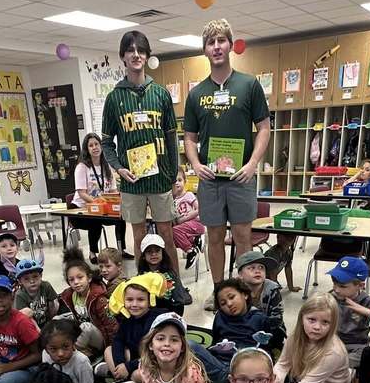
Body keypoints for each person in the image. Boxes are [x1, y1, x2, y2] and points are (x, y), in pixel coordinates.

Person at [184, 18, 271, 289]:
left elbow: (264, 128)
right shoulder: (196, 94)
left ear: (231, 45)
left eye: (221, 40)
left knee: (243, 235)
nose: (217, 46)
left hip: (240, 177)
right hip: (210, 179)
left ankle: (245, 292)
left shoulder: (249, 85)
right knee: (215, 236)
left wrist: (253, 163)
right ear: (205, 50)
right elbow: (189, 137)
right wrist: (196, 164)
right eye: (211, 42)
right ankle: (220, 290)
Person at [101, 30, 179, 268]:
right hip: (132, 181)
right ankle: (143, 284)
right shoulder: (114, 98)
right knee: (138, 236)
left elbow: (171, 137)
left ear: (147, 56)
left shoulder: (161, 93)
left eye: (141, 50)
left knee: (166, 234)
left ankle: (174, 283)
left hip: (160, 179)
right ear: (123, 57)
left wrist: (172, 175)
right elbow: (106, 142)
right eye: (130, 50)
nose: (136, 55)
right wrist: (119, 168)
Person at [273, 294, 351, 383]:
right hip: (300, 379)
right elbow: (283, 364)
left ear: (333, 324)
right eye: (311, 320)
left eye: (325, 322)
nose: (317, 327)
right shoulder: (294, 338)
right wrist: (275, 382)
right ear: (302, 318)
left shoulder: (334, 352)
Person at [192, 278, 273, 383]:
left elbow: (268, 350)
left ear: (244, 295)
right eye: (223, 303)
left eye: (232, 297)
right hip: (220, 368)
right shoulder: (220, 316)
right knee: (185, 345)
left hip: (245, 375)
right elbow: (215, 344)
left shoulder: (259, 318)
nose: (229, 304)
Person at [99, 273, 165, 383]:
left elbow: (153, 355)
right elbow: (118, 340)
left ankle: (123, 378)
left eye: (140, 300)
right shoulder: (127, 318)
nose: (134, 304)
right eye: (129, 300)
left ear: (149, 300)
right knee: (109, 350)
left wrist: (128, 367)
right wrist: (120, 363)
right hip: (136, 357)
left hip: (153, 361)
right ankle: (122, 379)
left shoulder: (154, 320)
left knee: (137, 374)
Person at [69, 132, 129, 261]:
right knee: (94, 220)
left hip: (103, 208)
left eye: (97, 144)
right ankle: (92, 253)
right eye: (91, 145)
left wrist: (116, 201)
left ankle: (121, 250)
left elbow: (112, 189)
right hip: (80, 209)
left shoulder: (106, 166)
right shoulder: (82, 167)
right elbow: (82, 193)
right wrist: (99, 202)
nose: (95, 147)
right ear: (87, 149)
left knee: (121, 216)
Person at [327, 256, 370, 369]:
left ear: (360, 286)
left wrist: (367, 312)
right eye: (334, 283)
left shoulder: (367, 301)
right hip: (331, 343)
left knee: (365, 358)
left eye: (342, 286)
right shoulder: (329, 297)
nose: (336, 289)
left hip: (357, 347)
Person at [57, 249, 118, 358]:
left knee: (86, 327)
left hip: (101, 339)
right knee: (57, 319)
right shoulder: (69, 295)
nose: (76, 282)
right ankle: (76, 350)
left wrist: (112, 349)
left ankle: (70, 354)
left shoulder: (98, 298)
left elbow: (111, 325)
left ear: (89, 278)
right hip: (81, 335)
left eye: (80, 277)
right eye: (71, 280)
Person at [235, 250, 286, 351]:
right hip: (243, 329)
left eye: (261, 267)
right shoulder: (235, 289)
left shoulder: (272, 290)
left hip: (268, 331)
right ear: (240, 274)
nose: (257, 271)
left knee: (278, 334)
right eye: (251, 268)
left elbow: (276, 320)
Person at [136, 234, 191, 314]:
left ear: (163, 253)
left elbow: (179, 302)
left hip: (169, 314)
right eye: (149, 251)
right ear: (144, 256)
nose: (154, 254)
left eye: (157, 250)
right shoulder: (140, 276)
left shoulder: (171, 275)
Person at [171, 167, 205, 269]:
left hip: (195, 224)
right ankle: (195, 240)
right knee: (169, 235)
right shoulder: (172, 199)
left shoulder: (188, 195)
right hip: (183, 228)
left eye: (180, 180)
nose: (177, 183)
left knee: (174, 231)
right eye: (174, 181)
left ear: (185, 181)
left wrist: (183, 219)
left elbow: (200, 209)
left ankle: (190, 251)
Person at [13, 258, 59, 330]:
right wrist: (38, 331)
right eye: (26, 279)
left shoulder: (46, 286)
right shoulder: (20, 295)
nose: (32, 281)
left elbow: (52, 306)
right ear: (20, 281)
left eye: (35, 276)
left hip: (47, 320)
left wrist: (51, 322)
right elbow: (27, 317)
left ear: (41, 276)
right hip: (31, 325)